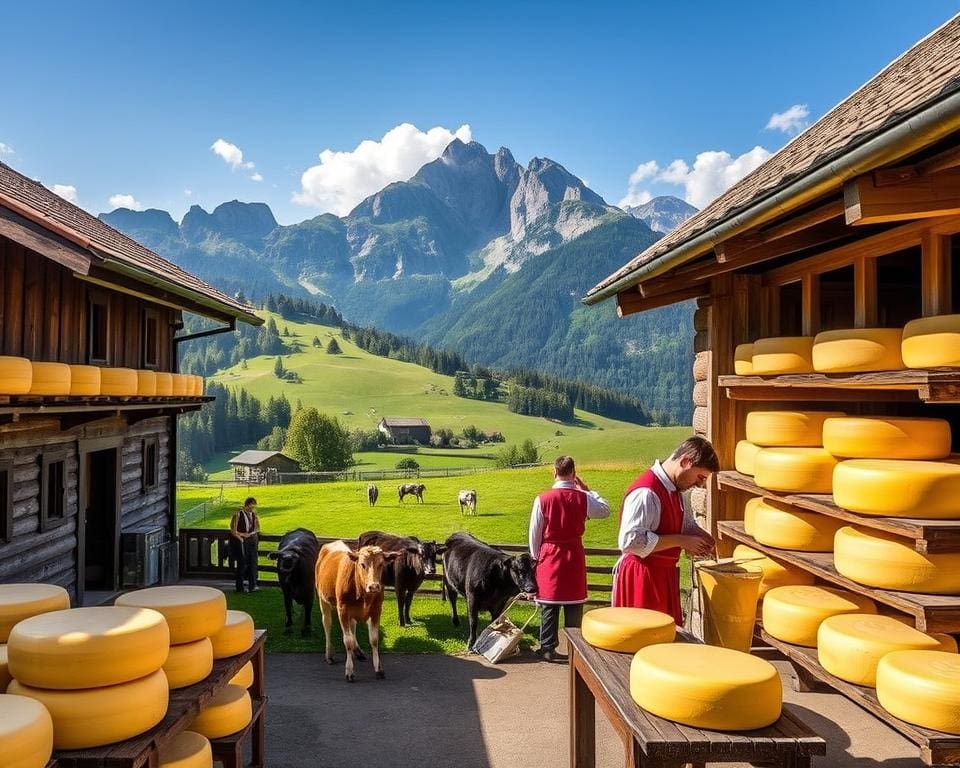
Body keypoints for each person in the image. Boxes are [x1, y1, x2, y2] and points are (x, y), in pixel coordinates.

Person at [612, 436, 719, 625]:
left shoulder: (674, 490)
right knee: (644, 637)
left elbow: (683, 523)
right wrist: (682, 541)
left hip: (663, 575)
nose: (699, 484)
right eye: (700, 477)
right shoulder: (646, 492)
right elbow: (630, 541)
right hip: (642, 576)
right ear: (685, 461)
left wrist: (704, 538)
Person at [529, 456, 610, 662]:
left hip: (549, 553)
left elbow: (534, 533)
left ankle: (547, 647)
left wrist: (536, 558)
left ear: (554, 473)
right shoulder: (583, 498)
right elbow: (604, 510)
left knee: (549, 603)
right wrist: (587, 489)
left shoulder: (543, 499)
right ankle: (576, 648)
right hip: (573, 554)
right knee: (574, 603)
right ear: (574, 473)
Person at [230, 497, 261, 593]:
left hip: (252, 540)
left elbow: (257, 528)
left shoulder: (254, 515)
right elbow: (233, 531)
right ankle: (240, 587)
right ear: (247, 505)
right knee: (242, 564)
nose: (252, 508)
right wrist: (242, 537)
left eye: (254, 507)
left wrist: (252, 534)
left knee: (253, 563)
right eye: (251, 506)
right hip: (242, 541)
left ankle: (253, 585)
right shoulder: (238, 514)